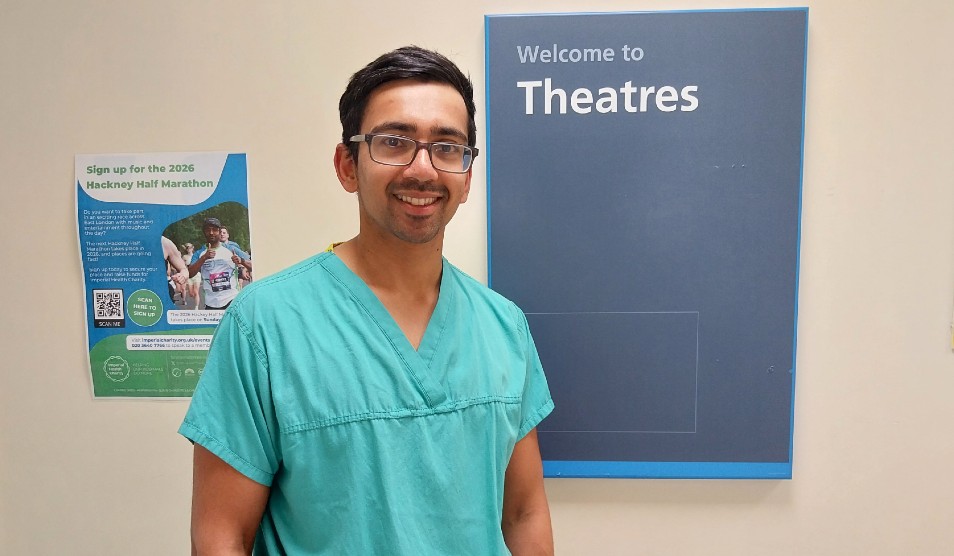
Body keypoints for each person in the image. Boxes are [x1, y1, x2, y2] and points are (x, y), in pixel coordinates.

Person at [180, 46, 554, 555]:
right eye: (394, 142)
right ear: (347, 165)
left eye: (447, 147)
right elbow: (222, 535)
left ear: (466, 176)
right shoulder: (265, 325)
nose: (422, 169)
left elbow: (524, 513)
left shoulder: (503, 326)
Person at [188, 218, 246, 311]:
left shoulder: (231, 249)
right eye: (208, 230)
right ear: (204, 232)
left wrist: (241, 261)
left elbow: (253, 264)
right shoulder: (200, 253)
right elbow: (190, 274)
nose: (211, 233)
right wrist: (203, 258)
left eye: (214, 230)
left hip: (231, 299)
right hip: (211, 303)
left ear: (219, 231)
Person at [161, 235, 189, 305]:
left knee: (182, 289)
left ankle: (183, 300)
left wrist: (182, 275)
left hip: (161, 296)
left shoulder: (164, 243)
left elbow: (183, 269)